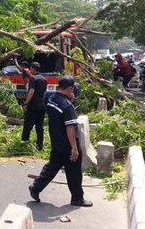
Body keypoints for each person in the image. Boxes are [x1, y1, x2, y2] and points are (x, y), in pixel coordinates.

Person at [28, 76, 93, 207]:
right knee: (74, 173)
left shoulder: (51, 99)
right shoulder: (67, 106)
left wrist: (70, 100)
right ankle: (77, 198)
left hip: (56, 141)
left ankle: (36, 187)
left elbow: (58, 116)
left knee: (52, 166)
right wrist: (74, 148)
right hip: (67, 144)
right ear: (70, 88)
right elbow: (70, 128)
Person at [21, 62, 47, 150]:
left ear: (33, 69)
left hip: (33, 105)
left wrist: (26, 103)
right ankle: (40, 145)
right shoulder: (43, 79)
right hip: (42, 105)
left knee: (27, 125)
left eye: (31, 68)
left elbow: (31, 91)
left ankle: (24, 144)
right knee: (40, 127)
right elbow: (44, 92)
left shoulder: (33, 78)